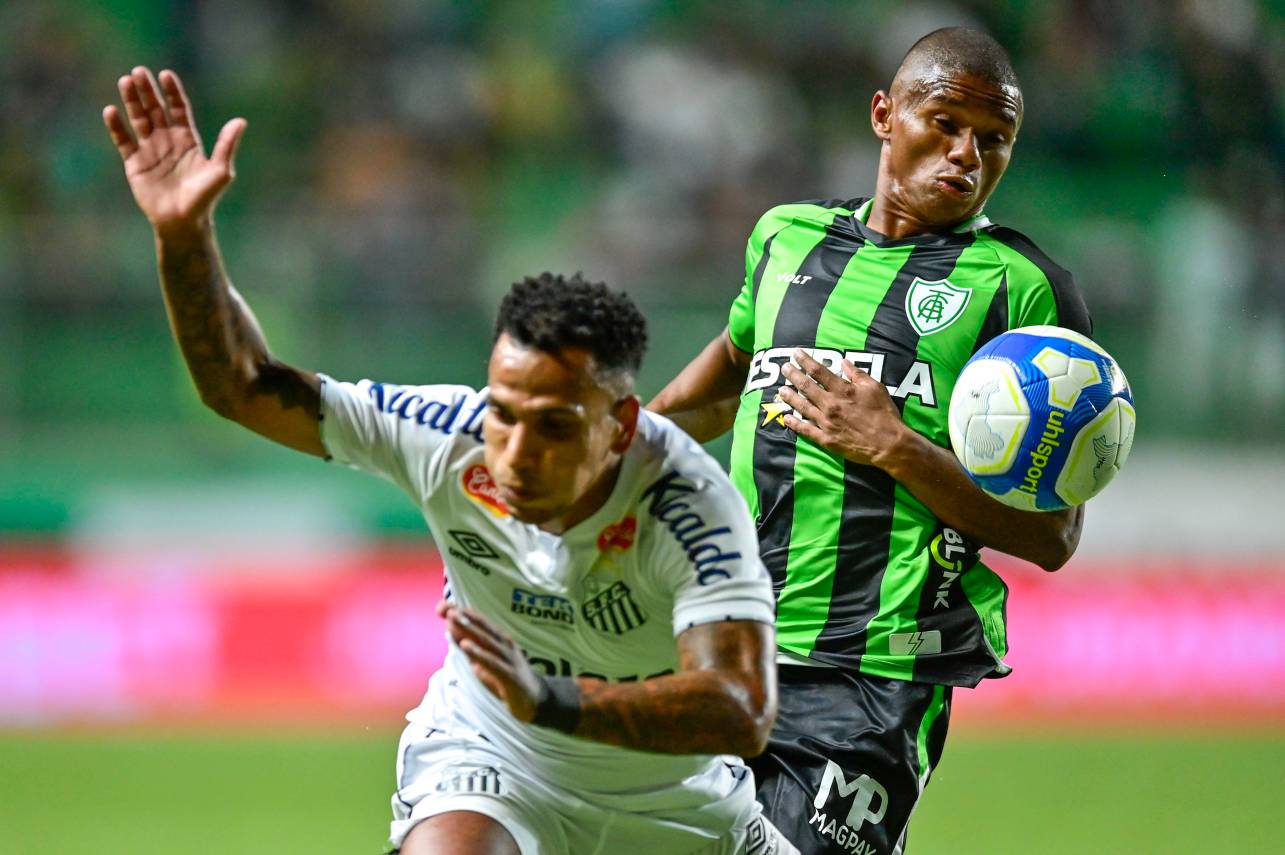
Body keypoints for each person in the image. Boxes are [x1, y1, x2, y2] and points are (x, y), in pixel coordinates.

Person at [103, 66, 801, 855]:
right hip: (492, 761)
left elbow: (740, 709)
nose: (516, 452)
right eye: (503, 413)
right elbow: (242, 386)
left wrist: (554, 699)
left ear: (621, 426)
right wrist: (181, 237)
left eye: (553, 426)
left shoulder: (689, 505)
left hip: (678, 807)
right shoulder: (445, 435)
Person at [648, 27, 1093, 855]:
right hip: (726, 643)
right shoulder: (785, 238)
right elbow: (721, 378)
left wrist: (893, 444)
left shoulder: (1022, 289)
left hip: (871, 682)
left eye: (993, 140)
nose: (966, 154)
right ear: (885, 115)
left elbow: (1052, 534)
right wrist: (614, 452)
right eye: (945, 122)